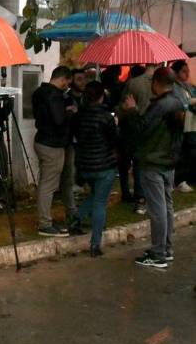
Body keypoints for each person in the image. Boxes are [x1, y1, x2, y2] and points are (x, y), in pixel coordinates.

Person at [122, 67, 184, 269]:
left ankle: (158, 254)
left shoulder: (159, 106)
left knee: (157, 209)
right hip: (168, 161)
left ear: (156, 83)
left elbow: (141, 128)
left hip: (153, 162)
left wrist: (131, 109)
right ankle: (166, 248)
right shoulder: (178, 101)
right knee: (166, 206)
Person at [70, 82, 118, 256]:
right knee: (100, 202)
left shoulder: (78, 116)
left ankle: (76, 218)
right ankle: (95, 244)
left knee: (96, 195)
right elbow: (114, 139)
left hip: (85, 164)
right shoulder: (106, 117)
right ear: (101, 96)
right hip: (104, 164)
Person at [32, 66, 76, 236]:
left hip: (42, 139)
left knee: (47, 182)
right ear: (63, 78)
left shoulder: (39, 92)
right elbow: (58, 120)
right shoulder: (55, 95)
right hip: (53, 144)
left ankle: (46, 219)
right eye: (67, 82)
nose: (67, 86)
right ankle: (45, 223)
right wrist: (70, 112)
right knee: (48, 184)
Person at [119, 64, 158, 214]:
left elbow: (123, 103)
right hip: (150, 128)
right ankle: (142, 197)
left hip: (132, 125)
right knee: (141, 164)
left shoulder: (133, 83)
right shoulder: (159, 83)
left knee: (127, 162)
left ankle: (128, 193)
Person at [170, 60, 196, 193]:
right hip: (180, 124)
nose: (187, 74)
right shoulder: (174, 87)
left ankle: (184, 178)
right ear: (176, 72)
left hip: (190, 124)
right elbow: (181, 104)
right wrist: (190, 104)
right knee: (181, 152)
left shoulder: (187, 86)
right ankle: (178, 180)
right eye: (183, 71)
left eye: (187, 71)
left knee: (188, 152)